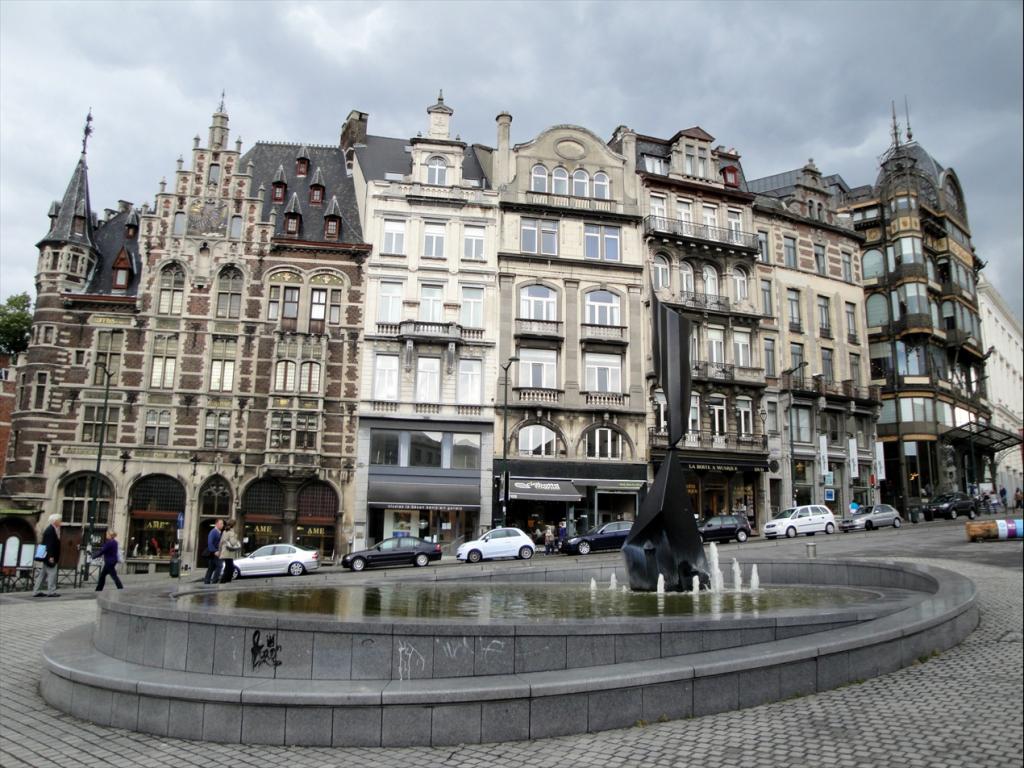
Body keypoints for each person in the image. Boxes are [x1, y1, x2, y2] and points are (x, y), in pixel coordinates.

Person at [33, 514, 62, 597]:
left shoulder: (52, 529)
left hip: (47, 556)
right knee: (52, 574)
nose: (60, 522)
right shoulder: (51, 530)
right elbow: (49, 545)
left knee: (42, 575)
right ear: (55, 521)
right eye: (59, 520)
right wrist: (51, 557)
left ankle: (36, 591)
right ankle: (51, 591)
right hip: (50, 557)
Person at [203, 519, 224, 584]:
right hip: (215, 553)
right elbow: (210, 542)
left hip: (215, 553)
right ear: (216, 524)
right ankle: (214, 581)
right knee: (220, 566)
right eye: (221, 524)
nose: (222, 525)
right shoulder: (213, 532)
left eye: (222, 524)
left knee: (211, 567)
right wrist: (215, 551)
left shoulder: (218, 532)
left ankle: (207, 581)